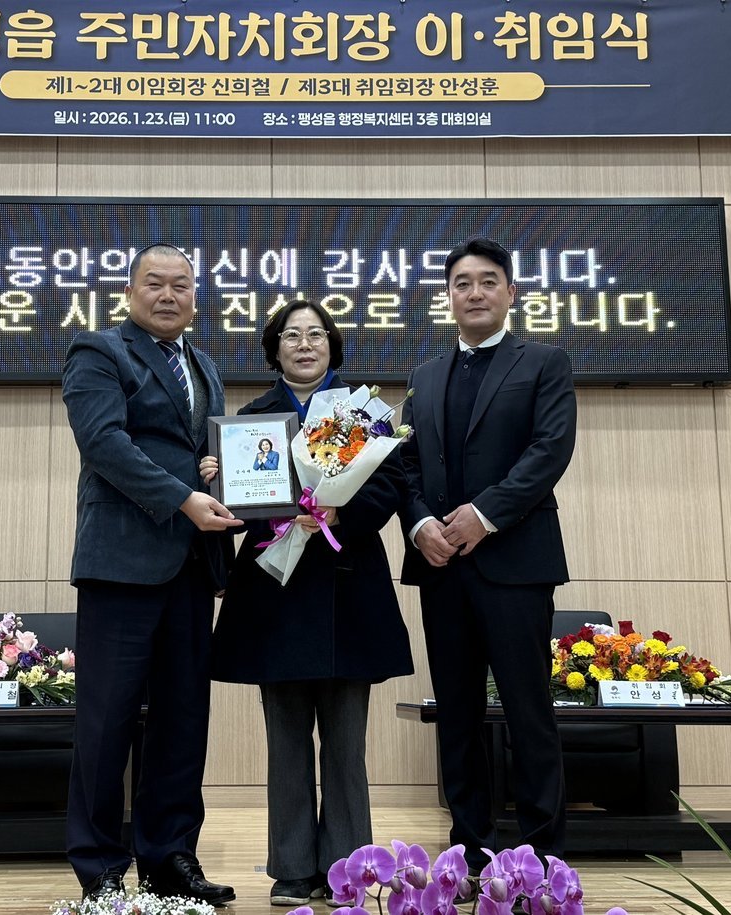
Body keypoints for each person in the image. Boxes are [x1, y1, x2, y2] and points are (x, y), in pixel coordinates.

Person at [203, 300, 414, 906]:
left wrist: (338, 512)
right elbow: (236, 506)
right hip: (275, 594)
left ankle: (350, 871)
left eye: (315, 334)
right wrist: (217, 480)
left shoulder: (364, 414)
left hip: (349, 592)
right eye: (291, 335)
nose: (304, 344)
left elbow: (391, 484)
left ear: (332, 344)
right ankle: (293, 870)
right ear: (274, 349)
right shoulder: (249, 421)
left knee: (346, 746)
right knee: (286, 740)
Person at [62, 243, 243, 906]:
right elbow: (104, 443)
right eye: (155, 283)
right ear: (130, 292)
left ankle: (170, 858)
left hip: (191, 567)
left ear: (196, 297)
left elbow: (198, 449)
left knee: (182, 721)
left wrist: (214, 473)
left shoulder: (204, 364)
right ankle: (100, 867)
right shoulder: (99, 351)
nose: (168, 295)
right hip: (121, 563)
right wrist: (184, 495)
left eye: (181, 285)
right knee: (106, 721)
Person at [398, 238, 577, 872]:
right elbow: (405, 464)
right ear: (448, 297)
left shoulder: (544, 362)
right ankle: (470, 850)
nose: (474, 292)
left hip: (515, 564)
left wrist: (485, 514)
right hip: (442, 566)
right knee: (458, 714)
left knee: (528, 711)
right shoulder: (424, 376)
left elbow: (549, 451)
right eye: (462, 283)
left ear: (511, 293)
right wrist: (419, 523)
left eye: (488, 281)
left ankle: (542, 858)